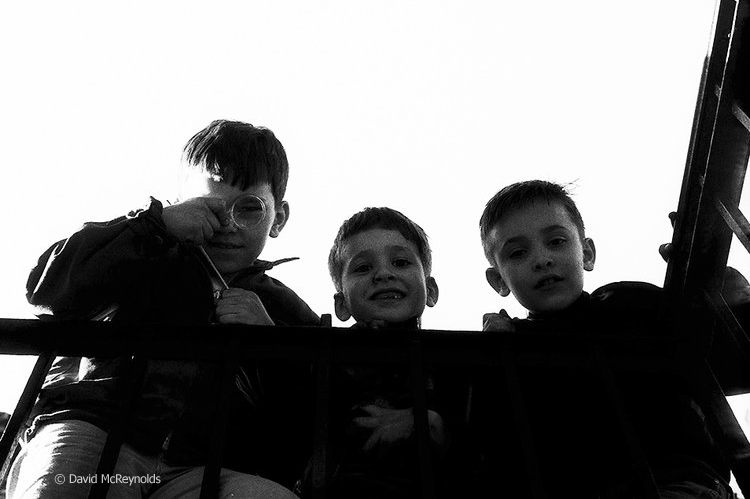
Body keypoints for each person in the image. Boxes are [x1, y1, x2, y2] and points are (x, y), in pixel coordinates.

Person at [7, 120, 320, 498]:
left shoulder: (284, 308)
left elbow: (311, 416)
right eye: (211, 205)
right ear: (181, 203)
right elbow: (47, 285)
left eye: (249, 208)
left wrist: (270, 345)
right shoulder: (144, 250)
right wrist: (154, 225)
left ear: (279, 219)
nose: (227, 224)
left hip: (206, 468)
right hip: (99, 431)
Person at [476, 180, 733, 498]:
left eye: (556, 241)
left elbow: (726, 361)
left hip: (675, 481)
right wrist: (493, 360)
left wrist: (710, 290)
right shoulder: (507, 346)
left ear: (586, 253)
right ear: (498, 279)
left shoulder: (631, 304)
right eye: (518, 252)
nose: (541, 259)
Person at [297, 207, 447, 498]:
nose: (383, 274)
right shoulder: (330, 358)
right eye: (363, 268)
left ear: (430, 290)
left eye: (401, 262)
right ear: (341, 305)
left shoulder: (451, 360)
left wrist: (428, 423)